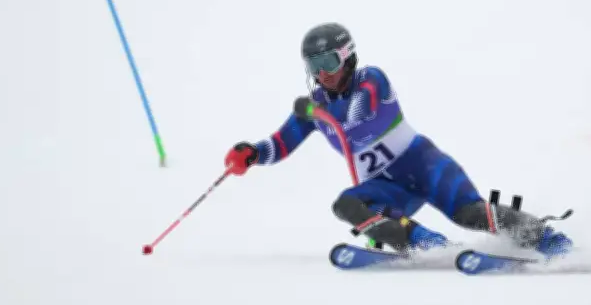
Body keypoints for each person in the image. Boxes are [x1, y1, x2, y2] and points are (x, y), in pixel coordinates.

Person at [224, 22, 572, 257]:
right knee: (346, 205)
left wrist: (322, 117)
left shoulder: (371, 80)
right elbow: (281, 143)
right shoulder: (316, 107)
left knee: (469, 213)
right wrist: (252, 153)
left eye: (328, 62)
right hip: (389, 187)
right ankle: (428, 244)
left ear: (347, 57)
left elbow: (359, 122)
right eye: (314, 67)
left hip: (425, 167)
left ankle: (547, 239)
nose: (323, 74)